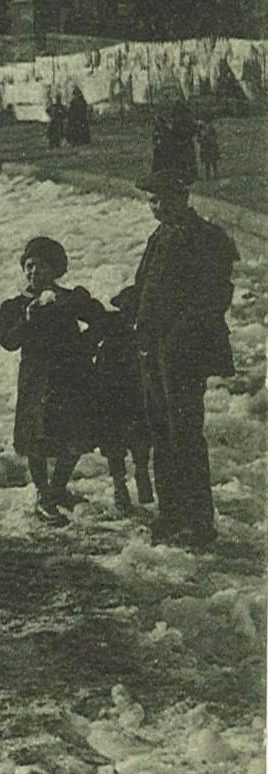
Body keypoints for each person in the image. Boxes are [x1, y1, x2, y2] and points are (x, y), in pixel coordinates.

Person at [132, 171, 238, 548]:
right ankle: (170, 512)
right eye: (151, 200)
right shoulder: (159, 237)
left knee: (185, 435)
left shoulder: (206, 239)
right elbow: (144, 287)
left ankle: (198, 520)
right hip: (154, 351)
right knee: (161, 432)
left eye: (162, 198)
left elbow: (213, 297)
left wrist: (176, 340)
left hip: (185, 354)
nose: (156, 206)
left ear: (182, 196)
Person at [0, 237, 104, 524]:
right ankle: (43, 494)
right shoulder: (16, 305)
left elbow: (100, 321)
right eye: (30, 266)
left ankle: (58, 488)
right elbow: (7, 341)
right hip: (36, 380)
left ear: (55, 271)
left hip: (69, 377)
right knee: (36, 438)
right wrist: (27, 319)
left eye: (42, 267)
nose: (34, 273)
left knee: (71, 436)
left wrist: (85, 345)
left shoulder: (69, 300)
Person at [91, 285, 155, 514]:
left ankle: (141, 472)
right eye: (128, 310)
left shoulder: (149, 329)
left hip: (135, 394)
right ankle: (120, 485)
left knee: (140, 440)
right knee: (115, 445)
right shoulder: (111, 325)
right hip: (113, 394)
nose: (132, 315)